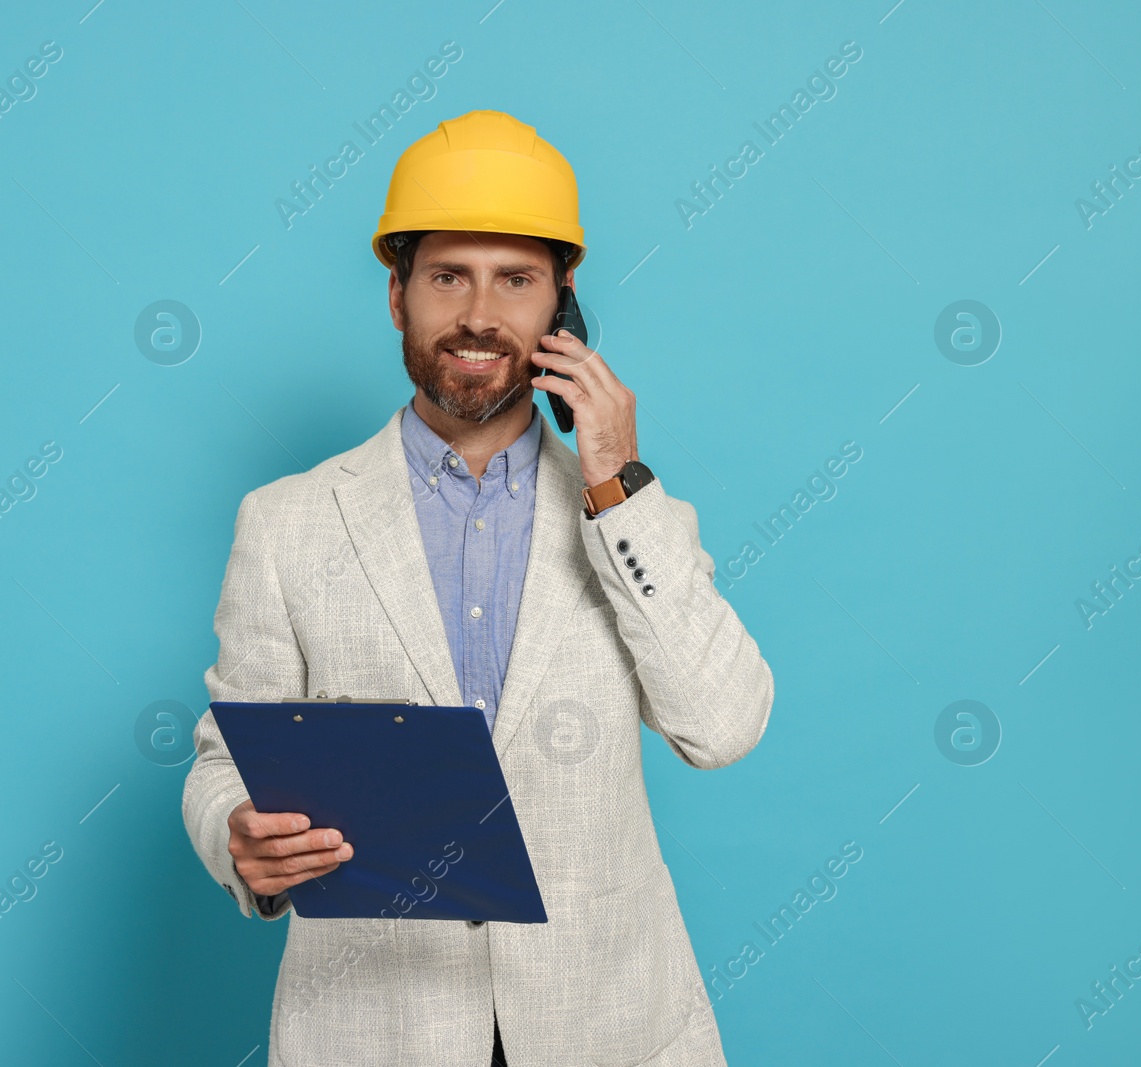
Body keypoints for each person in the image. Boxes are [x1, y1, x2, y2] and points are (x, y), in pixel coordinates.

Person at [182, 109, 773, 1066]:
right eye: (448, 275)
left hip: (609, 1025)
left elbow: (725, 724)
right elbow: (224, 764)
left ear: (563, 306)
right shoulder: (285, 522)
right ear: (396, 294)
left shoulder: (629, 517)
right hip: (374, 1027)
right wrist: (235, 837)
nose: (479, 315)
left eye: (518, 281)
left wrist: (615, 476)